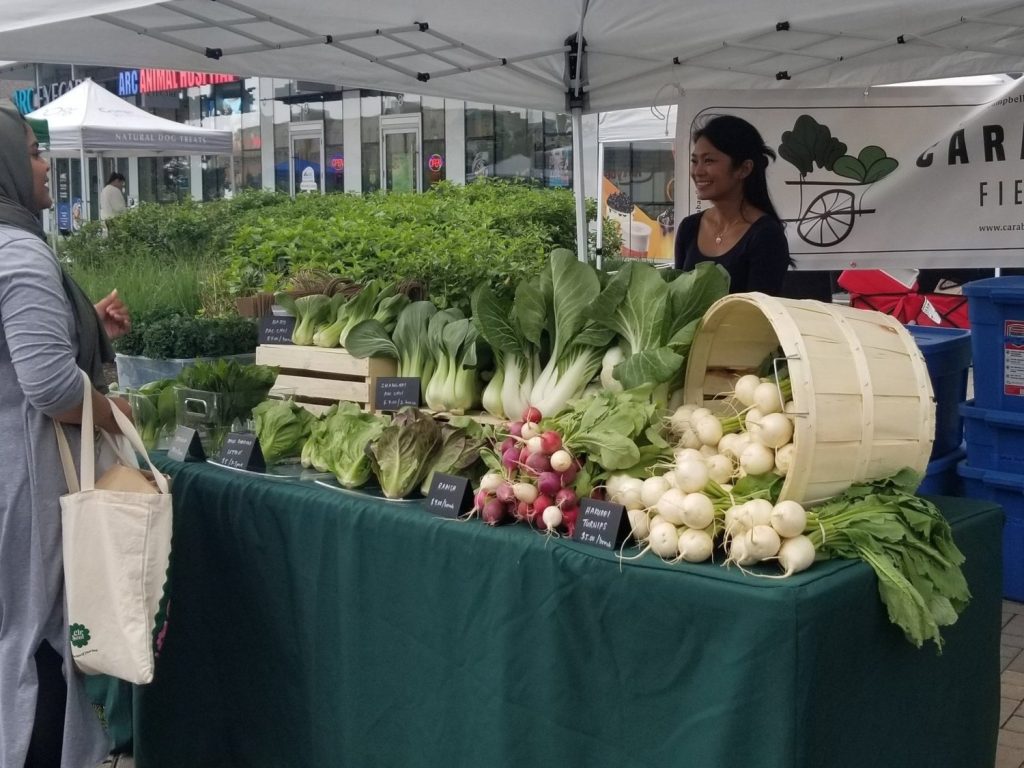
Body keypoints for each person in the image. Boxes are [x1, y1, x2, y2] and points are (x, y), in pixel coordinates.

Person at [0, 103, 134, 767]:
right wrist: (116, 414)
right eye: (30, 152)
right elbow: (51, 390)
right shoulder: (17, 251)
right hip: (27, 491)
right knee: (41, 646)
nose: (45, 164)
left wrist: (88, 332)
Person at [674, 114, 791, 295]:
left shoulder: (766, 235)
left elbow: (759, 315)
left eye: (709, 161)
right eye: (694, 161)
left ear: (744, 169)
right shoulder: (689, 228)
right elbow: (676, 300)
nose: (698, 171)